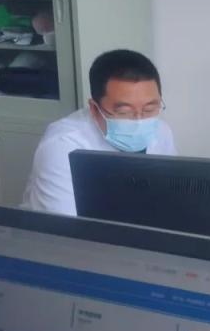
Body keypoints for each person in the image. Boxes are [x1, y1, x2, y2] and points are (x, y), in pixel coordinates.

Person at [22, 49, 177, 216]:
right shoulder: (63, 146)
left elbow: (172, 195)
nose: (139, 121)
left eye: (149, 109)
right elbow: (66, 227)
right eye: (124, 112)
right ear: (95, 109)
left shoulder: (160, 130)